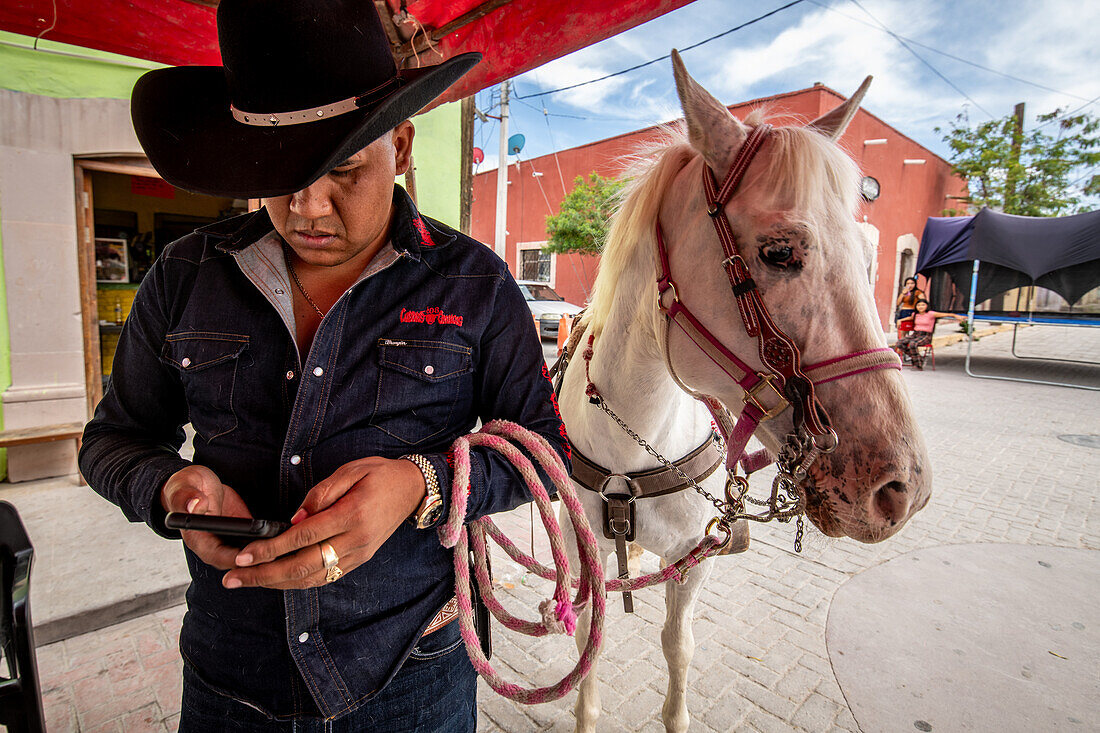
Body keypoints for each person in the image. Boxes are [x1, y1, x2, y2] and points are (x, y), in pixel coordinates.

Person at [78, 1, 568, 730]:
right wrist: (169, 487)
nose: (307, 204)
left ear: (400, 146)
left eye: (341, 168)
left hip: (411, 678)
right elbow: (111, 441)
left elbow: (545, 452)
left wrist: (422, 484)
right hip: (229, 676)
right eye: (279, 173)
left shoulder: (477, 284)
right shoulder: (185, 277)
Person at [893, 299, 963, 370]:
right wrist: (900, 320)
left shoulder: (931, 314)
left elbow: (946, 314)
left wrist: (955, 316)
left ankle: (918, 365)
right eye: (918, 305)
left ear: (927, 306)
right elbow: (909, 318)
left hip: (926, 335)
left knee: (912, 344)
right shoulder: (915, 314)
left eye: (923, 305)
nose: (920, 307)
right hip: (915, 334)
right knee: (900, 343)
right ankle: (919, 358)